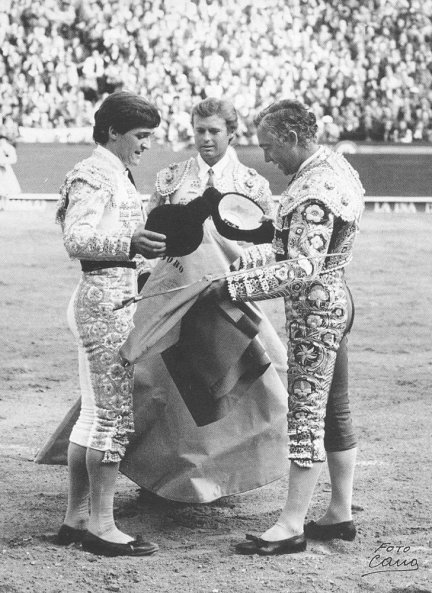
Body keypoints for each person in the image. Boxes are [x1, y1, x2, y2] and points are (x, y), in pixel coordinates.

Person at [208, 99, 364, 555]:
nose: (268, 157)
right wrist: (237, 263)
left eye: (271, 147)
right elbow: (288, 250)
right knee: (333, 410)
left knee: (306, 415)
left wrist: (237, 287)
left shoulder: (314, 189)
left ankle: (292, 524)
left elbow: (301, 267)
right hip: (337, 299)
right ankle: (340, 512)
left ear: (293, 139)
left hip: (316, 309)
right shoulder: (334, 167)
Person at [117, 97, 289, 503]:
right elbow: (152, 240)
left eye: (214, 131)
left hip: (230, 301)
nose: (206, 139)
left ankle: (222, 476)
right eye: (200, 131)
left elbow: (269, 249)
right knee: (166, 390)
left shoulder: (252, 185)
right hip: (177, 299)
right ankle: (162, 476)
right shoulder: (171, 178)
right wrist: (147, 278)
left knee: (242, 386)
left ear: (231, 133)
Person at [54, 91, 166, 557]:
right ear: (113, 132)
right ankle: (102, 525)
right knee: (113, 417)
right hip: (104, 303)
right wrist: (130, 241)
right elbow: (75, 238)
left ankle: (77, 519)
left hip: (111, 295)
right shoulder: (95, 172)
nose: (145, 145)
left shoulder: (110, 172)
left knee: (95, 415)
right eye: (140, 136)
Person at [0, 134, 21, 209]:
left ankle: (4, 205)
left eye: (3, 140)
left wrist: (4, 162)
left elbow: (14, 159)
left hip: (5, 169)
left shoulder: (9, 148)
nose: (1, 141)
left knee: (5, 187)